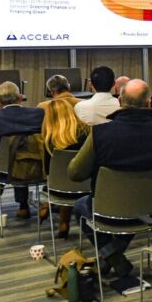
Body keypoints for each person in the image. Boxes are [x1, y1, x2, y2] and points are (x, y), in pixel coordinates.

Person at [68, 79, 152, 278]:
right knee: (133, 206)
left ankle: (114, 258)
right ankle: (114, 256)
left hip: (109, 208)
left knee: (81, 206)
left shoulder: (100, 133)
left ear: (120, 102)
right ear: (149, 103)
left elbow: (75, 173)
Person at [0, 81, 46, 219]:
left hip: (9, 168)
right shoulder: (39, 113)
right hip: (40, 166)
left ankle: (20, 203)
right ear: (20, 97)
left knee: (12, 154)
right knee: (21, 152)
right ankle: (29, 204)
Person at [41, 97, 90, 238]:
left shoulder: (49, 142)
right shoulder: (86, 134)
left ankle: (62, 221)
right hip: (85, 189)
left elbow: (48, 172)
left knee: (61, 183)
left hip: (58, 191)